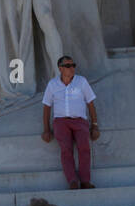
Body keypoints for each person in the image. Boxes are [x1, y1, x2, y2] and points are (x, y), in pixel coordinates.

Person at [42, 55, 100, 189]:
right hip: (61, 122)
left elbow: (90, 103)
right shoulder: (52, 84)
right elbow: (46, 107)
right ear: (60, 68)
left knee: (84, 148)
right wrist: (46, 129)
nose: (72, 68)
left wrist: (95, 125)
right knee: (66, 151)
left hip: (80, 121)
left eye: (73, 65)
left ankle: (85, 181)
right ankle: (72, 180)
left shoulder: (82, 82)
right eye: (68, 66)